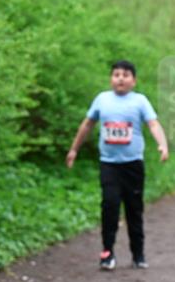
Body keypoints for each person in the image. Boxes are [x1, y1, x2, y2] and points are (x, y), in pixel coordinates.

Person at [66, 60, 169, 270]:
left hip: (133, 165)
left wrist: (162, 144)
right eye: (116, 74)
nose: (120, 78)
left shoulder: (140, 101)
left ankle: (138, 254)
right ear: (111, 79)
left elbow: (153, 123)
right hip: (109, 164)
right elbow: (87, 124)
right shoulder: (102, 100)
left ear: (134, 80)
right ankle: (107, 252)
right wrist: (74, 149)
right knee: (110, 205)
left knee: (134, 209)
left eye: (125, 75)